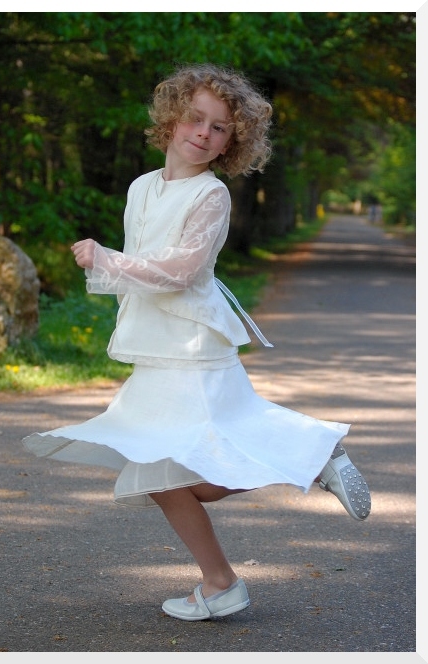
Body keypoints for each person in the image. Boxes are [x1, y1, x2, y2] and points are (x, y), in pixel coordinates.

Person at [23, 63, 371, 622]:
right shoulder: (142, 187)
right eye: (195, 119)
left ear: (234, 143)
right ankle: (222, 581)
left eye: (220, 128)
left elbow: (182, 269)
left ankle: (311, 455)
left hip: (191, 343)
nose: (204, 133)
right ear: (171, 121)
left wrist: (107, 259)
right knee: (166, 474)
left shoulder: (211, 196)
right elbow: (144, 262)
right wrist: (115, 271)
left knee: (174, 466)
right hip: (158, 344)